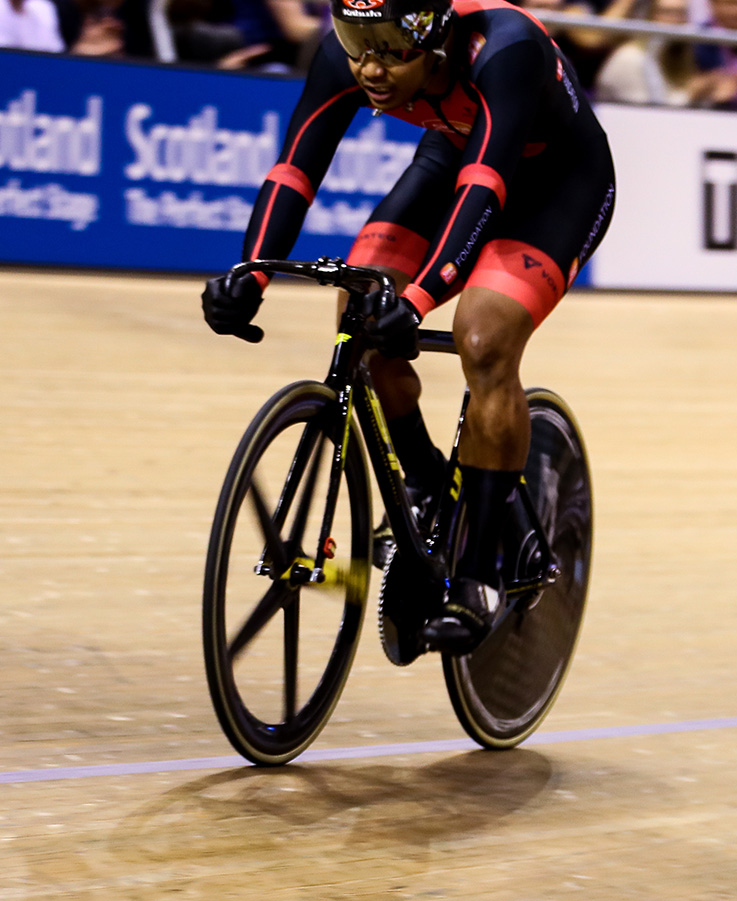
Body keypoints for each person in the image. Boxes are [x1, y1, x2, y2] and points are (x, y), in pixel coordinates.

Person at [201, 0, 615, 652]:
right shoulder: (349, 55)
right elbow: (294, 172)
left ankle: (478, 577)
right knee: (358, 309)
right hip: (456, 153)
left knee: (483, 337)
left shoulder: (504, 48)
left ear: (436, 38)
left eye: (391, 46)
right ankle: (426, 485)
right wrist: (248, 274)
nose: (369, 65)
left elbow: (487, 189)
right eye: (355, 42)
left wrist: (420, 300)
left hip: (556, 184)